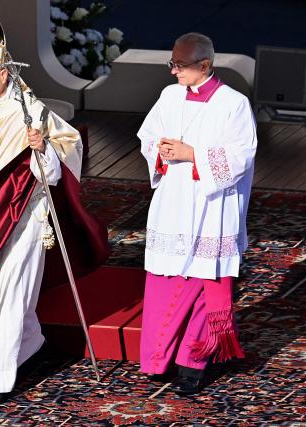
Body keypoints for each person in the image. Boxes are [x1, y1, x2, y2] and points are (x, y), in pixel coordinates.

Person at [0, 10, 109, 406]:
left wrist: (42, 150)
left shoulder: (33, 113)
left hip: (21, 222)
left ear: (5, 74)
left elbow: (66, 160)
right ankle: (25, 347)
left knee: (9, 294)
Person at [137, 32, 257, 395]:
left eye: (181, 65)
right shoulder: (169, 96)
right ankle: (157, 359)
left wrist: (192, 155)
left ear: (205, 65)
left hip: (211, 206)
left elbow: (241, 156)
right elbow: (147, 135)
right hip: (173, 202)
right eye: (171, 63)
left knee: (207, 284)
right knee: (165, 281)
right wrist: (159, 149)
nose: (174, 72)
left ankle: (194, 364)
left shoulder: (233, 104)